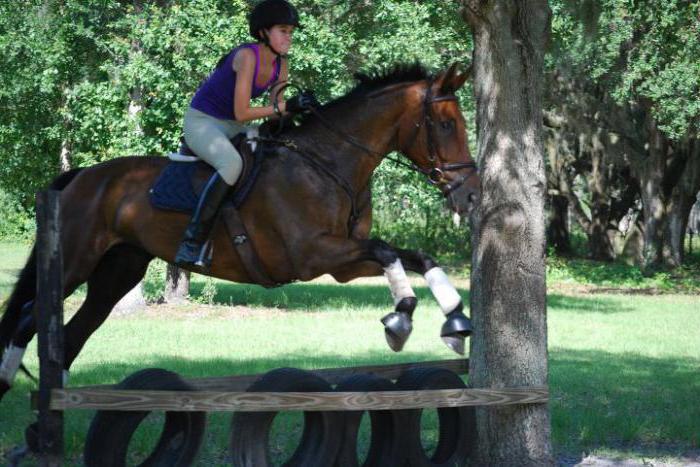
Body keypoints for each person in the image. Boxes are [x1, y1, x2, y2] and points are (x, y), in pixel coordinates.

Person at [175, 0, 317, 267]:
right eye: (283, 30)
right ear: (264, 32)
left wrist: (302, 109)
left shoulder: (280, 64)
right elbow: (243, 112)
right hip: (203, 122)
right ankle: (191, 244)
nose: (289, 37)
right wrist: (287, 106)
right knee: (232, 163)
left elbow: (277, 111)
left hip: (233, 125)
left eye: (291, 32)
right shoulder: (247, 56)